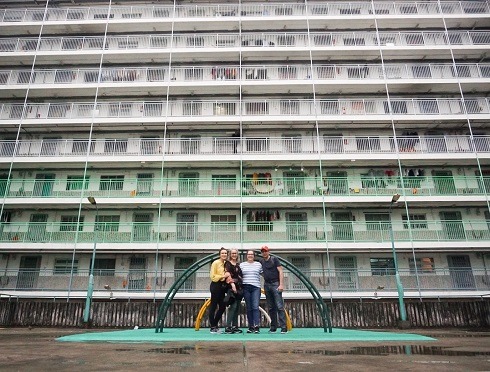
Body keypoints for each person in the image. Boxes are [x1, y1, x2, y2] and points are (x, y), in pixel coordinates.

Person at [260, 245, 287, 334]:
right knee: (271, 307)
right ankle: (273, 327)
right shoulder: (262, 261)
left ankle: (283, 327)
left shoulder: (274, 259)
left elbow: (280, 271)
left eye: (265, 251)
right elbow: (262, 272)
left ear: (268, 251)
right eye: (263, 251)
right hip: (267, 284)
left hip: (275, 283)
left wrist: (281, 284)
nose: (264, 253)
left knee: (279, 306)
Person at [240, 250, 263, 334]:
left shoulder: (258, 264)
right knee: (249, 307)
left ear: (254, 256)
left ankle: (256, 325)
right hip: (245, 287)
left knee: (255, 306)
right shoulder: (242, 265)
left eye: (251, 254)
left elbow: (264, 274)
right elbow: (239, 275)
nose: (250, 256)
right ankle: (251, 326)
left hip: (256, 287)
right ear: (246, 256)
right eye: (248, 254)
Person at [208, 247, 231, 333]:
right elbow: (213, 276)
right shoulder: (216, 263)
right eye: (222, 253)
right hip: (215, 285)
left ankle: (215, 324)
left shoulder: (226, 263)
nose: (224, 254)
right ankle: (212, 326)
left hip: (222, 286)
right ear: (219, 254)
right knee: (213, 305)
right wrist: (223, 276)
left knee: (222, 306)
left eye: (225, 253)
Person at [223, 248, 243, 334]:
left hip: (239, 288)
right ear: (230, 255)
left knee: (237, 307)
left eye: (235, 253)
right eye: (232, 253)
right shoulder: (228, 264)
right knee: (233, 307)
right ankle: (228, 326)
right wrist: (232, 284)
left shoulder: (238, 264)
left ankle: (235, 326)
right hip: (232, 288)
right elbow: (227, 275)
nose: (234, 255)